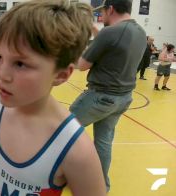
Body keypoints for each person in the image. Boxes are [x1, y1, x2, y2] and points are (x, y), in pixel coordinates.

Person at [0, 1, 106, 195]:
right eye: (0, 56)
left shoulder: (75, 150)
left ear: (61, 75)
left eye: (20, 63)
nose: (2, 74)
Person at [69, 0, 147, 192]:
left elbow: (82, 65)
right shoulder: (140, 32)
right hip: (123, 98)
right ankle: (100, 187)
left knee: (62, 131)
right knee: (103, 144)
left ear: (110, 9)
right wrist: (95, 30)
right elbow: (110, 43)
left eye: (103, 11)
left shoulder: (110, 33)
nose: (101, 15)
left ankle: (55, 177)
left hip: (101, 97)